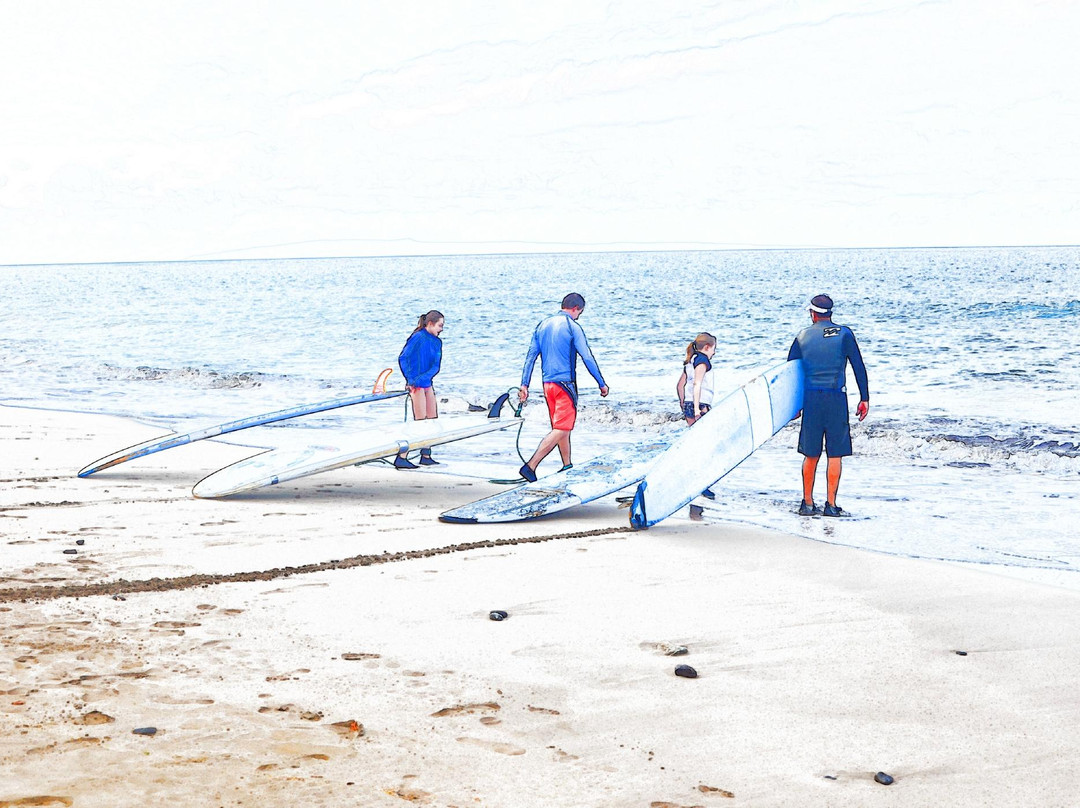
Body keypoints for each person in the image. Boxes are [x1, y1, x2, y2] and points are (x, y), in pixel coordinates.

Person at [787, 294, 869, 516]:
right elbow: (858, 366)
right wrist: (864, 398)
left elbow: (791, 374)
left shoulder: (802, 336)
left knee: (811, 454)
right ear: (830, 313)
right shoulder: (845, 334)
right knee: (835, 454)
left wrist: (793, 406)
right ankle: (831, 505)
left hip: (811, 400)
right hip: (836, 398)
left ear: (813, 314)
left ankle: (807, 503)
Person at [517, 292, 609, 481]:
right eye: (580, 313)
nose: (578, 316)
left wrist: (524, 384)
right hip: (565, 384)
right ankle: (530, 466)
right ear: (576, 309)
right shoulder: (572, 326)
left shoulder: (542, 325)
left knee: (561, 427)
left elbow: (530, 357)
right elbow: (587, 357)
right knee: (562, 427)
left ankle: (567, 465)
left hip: (547, 384)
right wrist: (601, 383)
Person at [395, 310, 444, 469]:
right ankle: (402, 456)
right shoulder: (417, 337)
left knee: (432, 418)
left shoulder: (437, 342)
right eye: (439, 325)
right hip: (416, 383)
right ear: (430, 324)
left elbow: (436, 365)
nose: (441, 329)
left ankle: (426, 454)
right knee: (420, 420)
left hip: (427, 381)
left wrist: (426, 377)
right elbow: (404, 358)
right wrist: (410, 379)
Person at [676, 332, 718, 499]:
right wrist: (696, 409)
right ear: (707, 347)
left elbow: (680, 385)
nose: (714, 352)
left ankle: (694, 481)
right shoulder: (702, 361)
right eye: (714, 349)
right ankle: (702, 485)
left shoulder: (690, 361)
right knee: (704, 447)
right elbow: (697, 384)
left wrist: (683, 403)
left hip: (689, 403)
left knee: (697, 444)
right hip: (700, 406)